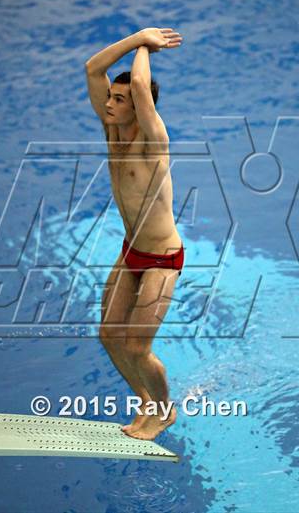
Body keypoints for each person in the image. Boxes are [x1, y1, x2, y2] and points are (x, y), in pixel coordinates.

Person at [85, 27, 184, 440]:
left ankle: (164, 411)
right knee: (109, 335)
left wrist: (145, 43)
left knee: (137, 347)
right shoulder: (113, 132)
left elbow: (141, 83)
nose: (109, 103)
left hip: (162, 258)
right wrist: (136, 39)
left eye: (119, 100)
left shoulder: (153, 141)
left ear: (140, 108)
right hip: (131, 253)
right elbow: (93, 68)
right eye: (110, 97)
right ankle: (147, 401)